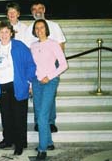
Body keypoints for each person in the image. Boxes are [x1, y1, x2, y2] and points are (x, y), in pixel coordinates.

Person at [0, 20, 36, 155]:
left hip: (17, 84)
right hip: (2, 85)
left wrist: (28, 81)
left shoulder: (20, 46)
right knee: (6, 114)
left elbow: (31, 65)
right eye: (1, 32)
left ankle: (19, 143)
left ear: (11, 33)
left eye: (7, 32)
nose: (4, 34)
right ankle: (8, 139)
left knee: (19, 115)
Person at [24, 1, 66, 133]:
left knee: (50, 96)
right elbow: (27, 49)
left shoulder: (54, 26)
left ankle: (50, 121)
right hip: (36, 66)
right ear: (32, 12)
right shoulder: (29, 28)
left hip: (51, 64)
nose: (38, 11)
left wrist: (56, 66)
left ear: (44, 9)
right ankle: (39, 122)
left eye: (40, 8)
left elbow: (60, 45)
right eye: (34, 9)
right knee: (38, 98)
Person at [30, 19, 68, 160]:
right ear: (34, 31)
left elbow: (63, 65)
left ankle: (42, 149)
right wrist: (30, 85)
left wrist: (49, 76)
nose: (39, 30)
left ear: (46, 29)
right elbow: (32, 67)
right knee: (40, 113)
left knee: (43, 115)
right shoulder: (32, 46)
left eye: (42, 27)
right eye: (37, 28)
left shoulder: (53, 44)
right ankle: (49, 142)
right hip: (36, 82)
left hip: (50, 81)